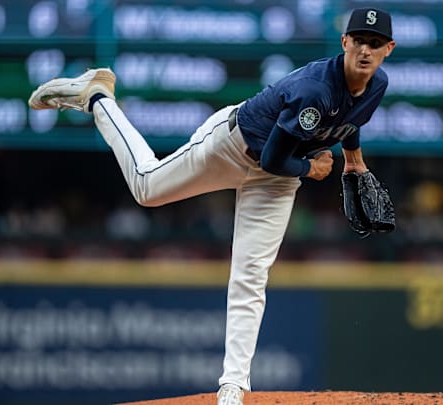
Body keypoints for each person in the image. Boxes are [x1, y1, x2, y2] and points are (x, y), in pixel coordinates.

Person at [29, 7, 396, 405]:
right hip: (234, 146)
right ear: (344, 42)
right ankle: (98, 96)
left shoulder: (376, 85)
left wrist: (354, 160)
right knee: (147, 187)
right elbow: (275, 158)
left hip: (277, 177)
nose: (365, 50)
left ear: (388, 49)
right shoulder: (314, 90)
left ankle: (233, 386)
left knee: (251, 274)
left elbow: (350, 118)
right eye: (358, 40)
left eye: (374, 43)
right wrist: (311, 169)